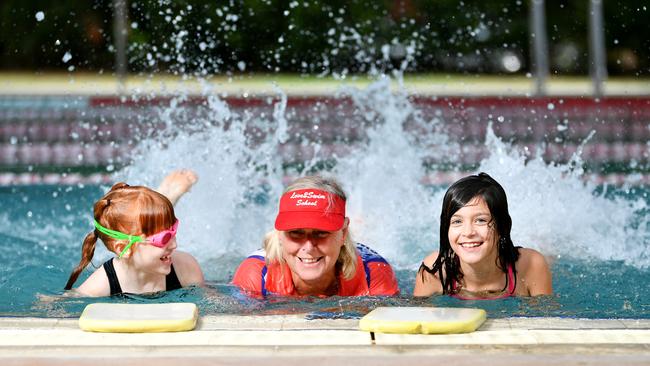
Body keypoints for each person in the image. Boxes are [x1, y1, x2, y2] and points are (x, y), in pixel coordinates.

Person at [232, 175, 400, 296]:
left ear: (343, 233)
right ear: (280, 235)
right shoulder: (256, 276)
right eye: (296, 233)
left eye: (321, 233)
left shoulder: (373, 275)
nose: (309, 246)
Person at [414, 172, 552, 299]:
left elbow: (547, 321)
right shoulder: (433, 271)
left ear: (502, 227)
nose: (468, 232)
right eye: (457, 221)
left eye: (480, 220)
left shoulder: (530, 266)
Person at [64, 182, 205, 296]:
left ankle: (169, 198)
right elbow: (64, 304)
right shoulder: (100, 286)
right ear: (122, 249)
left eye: (173, 231)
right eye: (164, 238)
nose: (174, 244)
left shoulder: (186, 268)